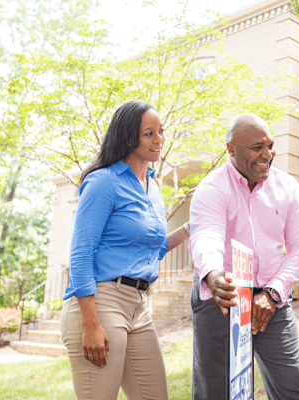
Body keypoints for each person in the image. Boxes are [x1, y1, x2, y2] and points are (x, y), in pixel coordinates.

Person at [60, 100, 190, 400]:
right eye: (149, 134)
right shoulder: (103, 182)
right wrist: (91, 324)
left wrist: (190, 229)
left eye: (161, 131)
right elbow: (80, 254)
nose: (159, 140)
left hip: (139, 306)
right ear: (129, 138)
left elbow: (152, 249)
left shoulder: (152, 188)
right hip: (102, 302)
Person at [188, 113, 299, 400]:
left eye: (271, 146)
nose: (267, 155)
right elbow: (206, 235)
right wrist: (212, 273)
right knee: (216, 392)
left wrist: (273, 294)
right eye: (257, 147)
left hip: (271, 296)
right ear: (231, 149)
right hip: (223, 296)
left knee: (295, 390)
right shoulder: (212, 189)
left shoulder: (287, 188)